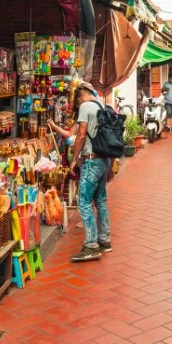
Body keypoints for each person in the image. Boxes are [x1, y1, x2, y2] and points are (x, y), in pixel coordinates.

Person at [69, 81, 112, 262]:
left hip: (91, 160)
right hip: (104, 160)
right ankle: (104, 240)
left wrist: (73, 159)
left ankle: (91, 245)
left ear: (80, 96)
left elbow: (80, 134)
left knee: (84, 202)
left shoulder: (86, 106)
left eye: (76, 103)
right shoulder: (102, 104)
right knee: (100, 200)